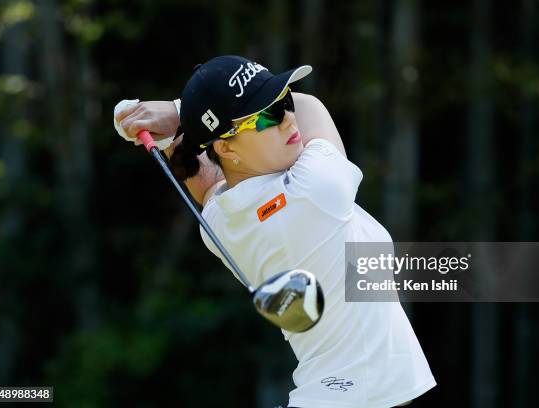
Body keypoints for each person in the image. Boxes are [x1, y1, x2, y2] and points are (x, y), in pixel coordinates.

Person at [115, 55, 436, 408]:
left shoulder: (220, 222)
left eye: (283, 100)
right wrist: (178, 113)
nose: (288, 118)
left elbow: (205, 178)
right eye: (267, 115)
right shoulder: (315, 189)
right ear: (225, 147)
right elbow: (311, 105)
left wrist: (182, 127)